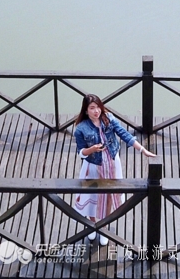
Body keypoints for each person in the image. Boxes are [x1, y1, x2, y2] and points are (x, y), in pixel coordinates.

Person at [73, 94, 155, 246]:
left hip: (111, 162)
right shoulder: (81, 129)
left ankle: (103, 227)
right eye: (92, 108)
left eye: (98, 107)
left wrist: (142, 149)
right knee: (93, 196)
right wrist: (91, 149)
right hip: (93, 165)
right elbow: (80, 152)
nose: (96, 111)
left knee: (109, 196)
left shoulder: (108, 118)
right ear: (86, 111)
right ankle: (92, 225)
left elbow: (124, 134)